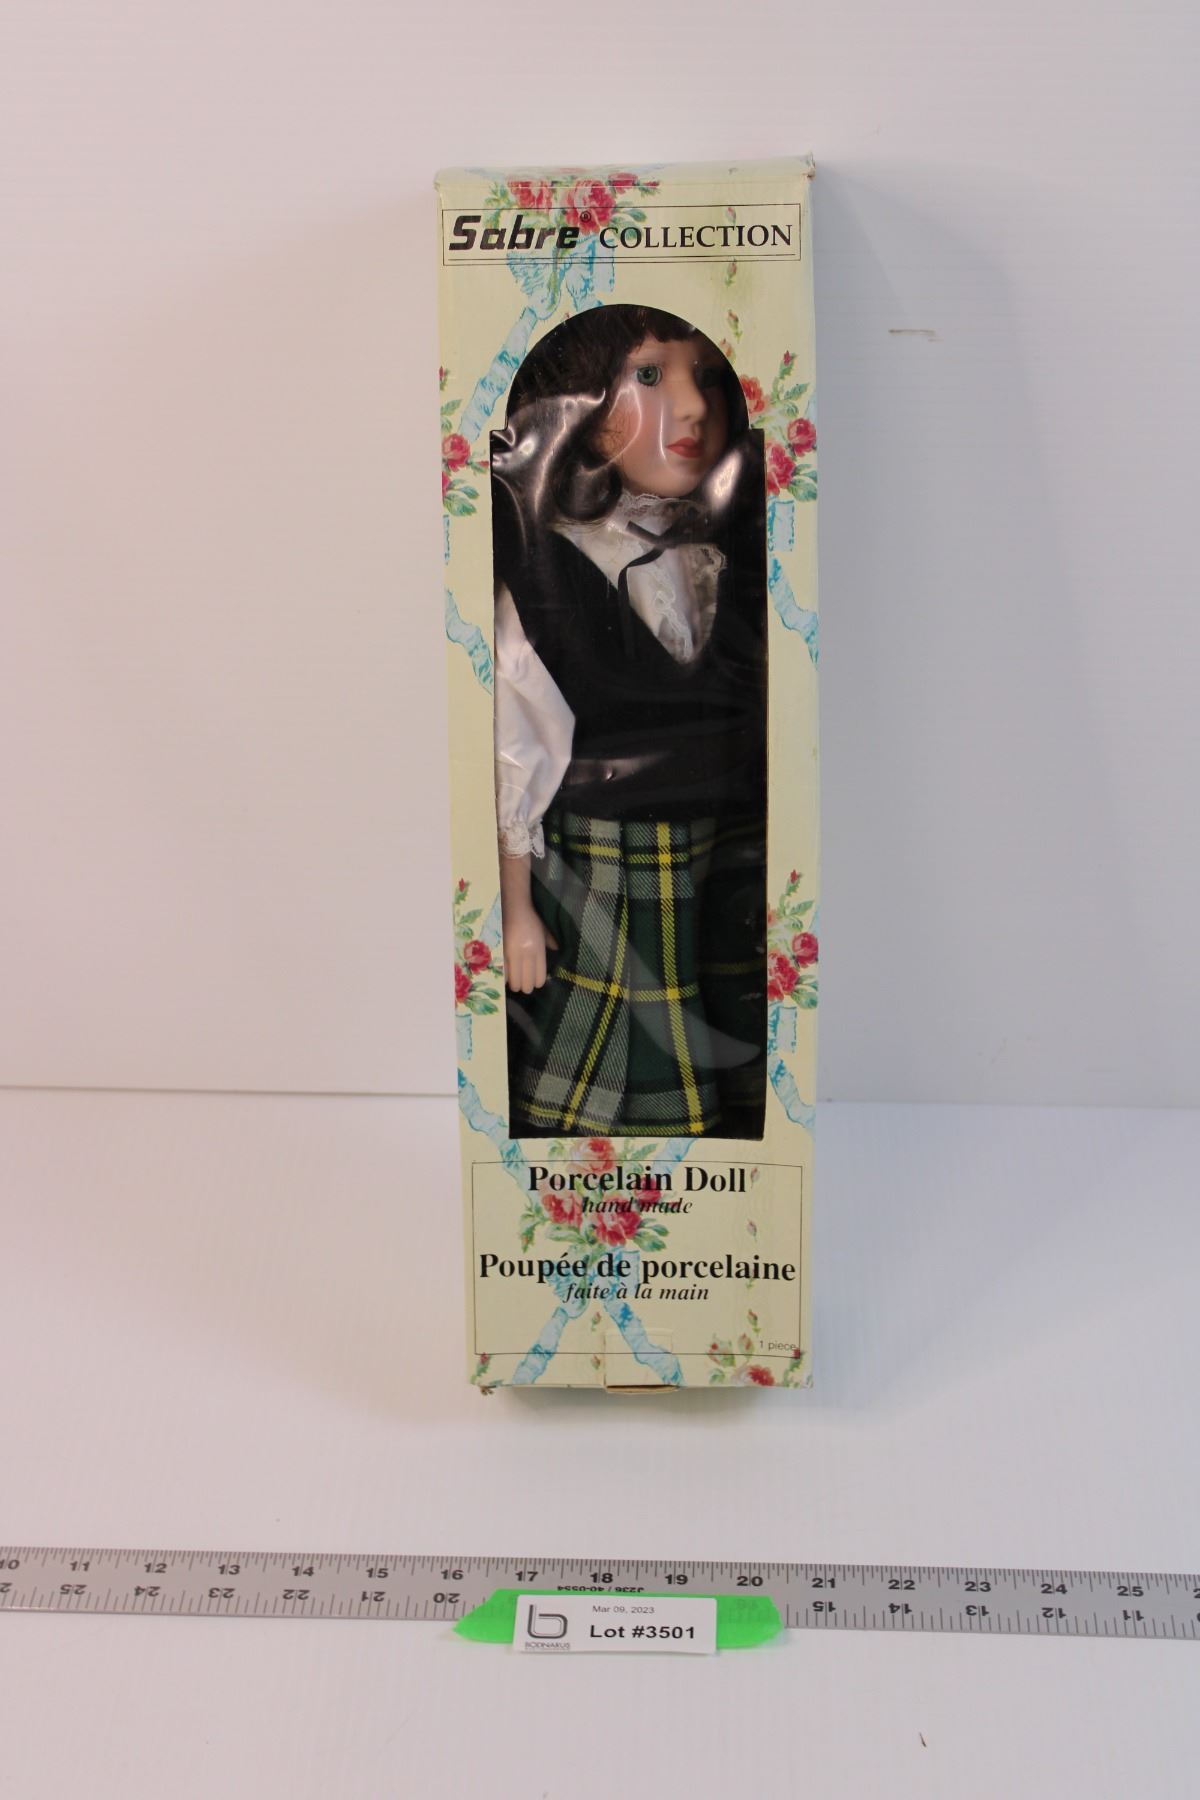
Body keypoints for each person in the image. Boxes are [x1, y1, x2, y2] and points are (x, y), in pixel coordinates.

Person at [490, 305, 767, 1140]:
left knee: (717, 1024)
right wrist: (515, 912)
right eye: (649, 375)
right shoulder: (549, 573)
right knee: (619, 1058)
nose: (694, 406)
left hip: (717, 855)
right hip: (608, 866)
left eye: (703, 376)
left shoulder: (708, 553)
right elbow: (516, 752)